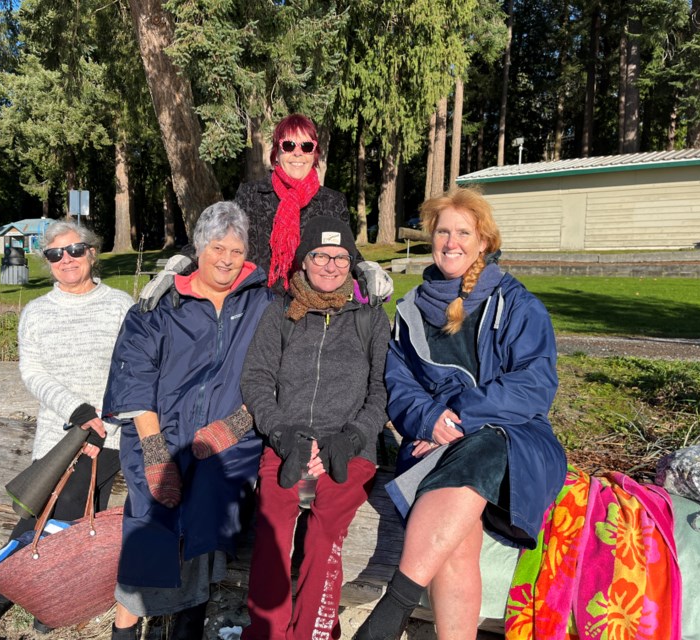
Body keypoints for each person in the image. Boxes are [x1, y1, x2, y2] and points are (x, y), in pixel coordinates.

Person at [353, 187, 567, 640]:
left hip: (514, 443)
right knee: (455, 550)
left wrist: (458, 418)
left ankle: (393, 609)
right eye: (443, 231)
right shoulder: (410, 310)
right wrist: (430, 420)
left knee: (483, 444)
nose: (451, 242)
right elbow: (399, 383)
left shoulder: (518, 305)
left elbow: (534, 385)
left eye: (463, 233)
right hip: (435, 441)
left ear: (484, 242)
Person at [102, 202, 274, 640]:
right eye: (217, 247)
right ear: (199, 247)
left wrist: (234, 427)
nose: (226, 259)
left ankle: (187, 623)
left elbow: (282, 372)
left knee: (208, 504)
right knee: (150, 508)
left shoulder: (264, 300)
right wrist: (157, 452)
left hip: (231, 435)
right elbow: (134, 379)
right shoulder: (160, 305)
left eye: (236, 250)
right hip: (158, 432)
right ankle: (126, 626)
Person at [0, 221, 134, 634]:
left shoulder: (121, 307)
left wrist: (104, 422)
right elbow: (33, 372)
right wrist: (76, 410)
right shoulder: (37, 312)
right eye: (56, 255)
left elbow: (133, 371)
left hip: (107, 435)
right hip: (57, 432)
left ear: (93, 253)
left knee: (71, 511)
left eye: (74, 250)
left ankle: (39, 594)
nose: (66, 260)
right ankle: (9, 590)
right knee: (39, 510)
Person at [239, 217, 390, 640]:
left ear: (351, 263)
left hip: (348, 446)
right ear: (303, 262)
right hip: (287, 441)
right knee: (272, 521)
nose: (330, 265)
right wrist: (282, 435)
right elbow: (257, 379)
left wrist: (353, 438)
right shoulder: (280, 314)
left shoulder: (370, 320)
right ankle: (266, 632)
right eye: (320, 255)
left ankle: (311, 633)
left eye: (340, 256)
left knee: (324, 531)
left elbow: (381, 391)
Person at [137, 113, 393, 309]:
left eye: (306, 146)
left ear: (315, 153)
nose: (297, 153)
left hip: (312, 309)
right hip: (257, 306)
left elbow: (346, 253)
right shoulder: (252, 195)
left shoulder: (331, 202)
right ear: (276, 152)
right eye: (289, 145)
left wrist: (369, 269)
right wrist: (174, 269)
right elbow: (218, 238)